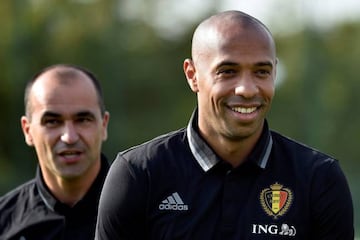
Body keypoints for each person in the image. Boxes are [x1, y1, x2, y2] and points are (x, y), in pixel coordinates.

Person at [95, 10, 354, 240]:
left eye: (261, 72)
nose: (247, 89)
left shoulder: (319, 179)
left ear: (274, 73)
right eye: (227, 71)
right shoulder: (139, 175)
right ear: (192, 75)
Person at [0, 64, 110, 240]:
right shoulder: (5, 224)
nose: (69, 137)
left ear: (103, 125)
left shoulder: (147, 213)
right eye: (52, 121)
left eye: (82, 119)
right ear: (27, 131)